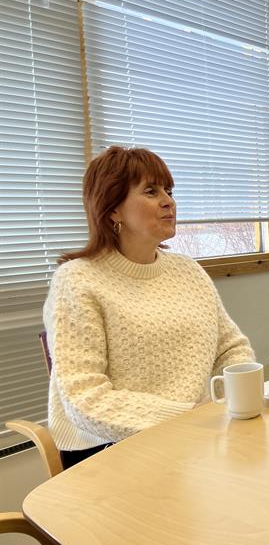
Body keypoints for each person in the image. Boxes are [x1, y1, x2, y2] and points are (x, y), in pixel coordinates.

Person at [44, 146, 255, 468]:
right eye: (151, 191)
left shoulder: (187, 271)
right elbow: (86, 398)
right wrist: (187, 418)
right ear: (112, 209)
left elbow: (231, 350)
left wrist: (227, 405)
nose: (168, 201)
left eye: (168, 191)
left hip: (198, 435)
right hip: (111, 449)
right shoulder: (77, 280)